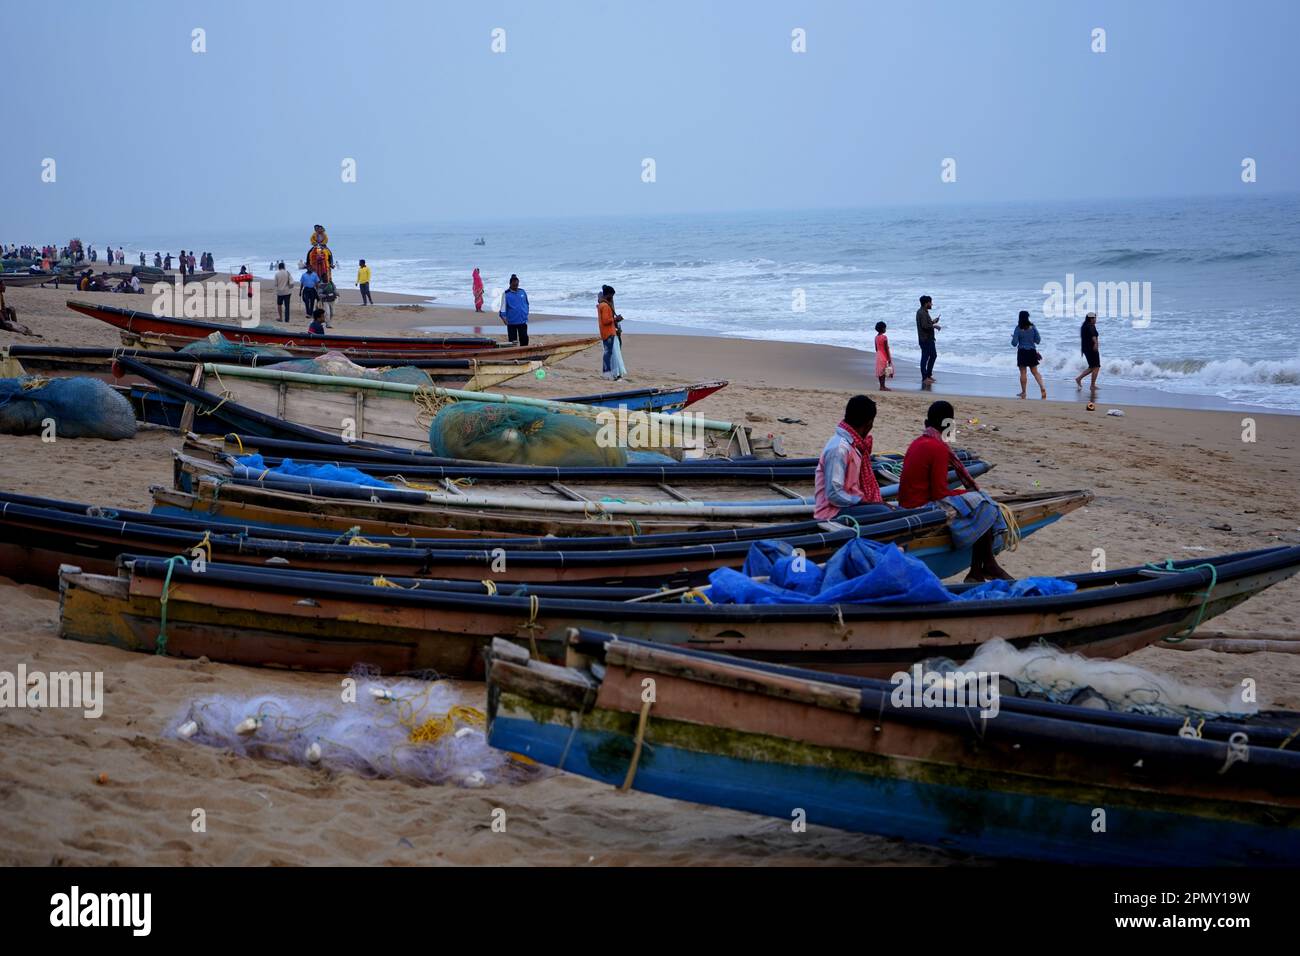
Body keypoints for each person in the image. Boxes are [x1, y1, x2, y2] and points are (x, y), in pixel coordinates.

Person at [899, 400, 1012, 582]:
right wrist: (966, 495)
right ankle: (985, 566)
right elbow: (939, 493)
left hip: (909, 502)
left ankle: (978, 570)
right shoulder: (937, 448)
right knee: (984, 505)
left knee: (976, 500)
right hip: (921, 507)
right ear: (948, 423)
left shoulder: (920, 442)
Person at [813, 395, 889, 520]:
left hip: (847, 506)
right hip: (832, 512)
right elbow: (834, 495)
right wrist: (863, 502)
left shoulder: (854, 445)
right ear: (869, 423)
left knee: (887, 509)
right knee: (883, 511)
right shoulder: (839, 449)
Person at [1011, 310, 1046, 399]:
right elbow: (1038, 340)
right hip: (1032, 351)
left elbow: (1014, 343)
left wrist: (1014, 338)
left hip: (1022, 352)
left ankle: (1024, 392)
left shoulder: (1018, 328)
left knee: (1023, 372)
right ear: (1028, 317)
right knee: (1035, 372)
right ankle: (1042, 387)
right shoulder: (1033, 327)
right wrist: (1030, 339)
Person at [598, 285, 626, 380]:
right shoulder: (605, 306)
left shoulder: (602, 304)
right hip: (609, 332)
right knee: (609, 353)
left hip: (606, 332)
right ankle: (608, 373)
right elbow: (606, 321)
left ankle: (609, 373)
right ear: (608, 295)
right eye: (612, 295)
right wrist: (615, 319)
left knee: (608, 353)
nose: (612, 298)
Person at [915, 295, 940, 387]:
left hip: (929, 339)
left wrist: (933, 322)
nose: (931, 304)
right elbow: (924, 326)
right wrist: (934, 326)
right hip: (925, 339)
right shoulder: (921, 313)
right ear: (926, 303)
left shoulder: (924, 312)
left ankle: (928, 375)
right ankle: (924, 378)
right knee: (925, 358)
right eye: (930, 302)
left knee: (933, 355)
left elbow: (926, 324)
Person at [499, 273, 529, 345]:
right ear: (510, 284)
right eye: (514, 285)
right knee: (513, 342)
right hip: (511, 322)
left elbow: (527, 303)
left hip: (522, 321)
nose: (516, 286)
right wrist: (504, 319)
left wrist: (526, 312)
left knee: (524, 339)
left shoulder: (522, 291)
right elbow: (502, 308)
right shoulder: (506, 294)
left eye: (517, 284)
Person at [1075, 311, 1101, 391]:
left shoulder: (1084, 325)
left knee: (1092, 367)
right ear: (1091, 319)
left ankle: (1079, 379)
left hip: (1086, 349)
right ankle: (1092, 385)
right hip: (1091, 349)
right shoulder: (1090, 326)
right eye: (1094, 318)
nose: (1095, 320)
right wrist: (1096, 344)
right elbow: (1093, 336)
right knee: (1096, 367)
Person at [874, 321, 893, 391]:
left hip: (878, 355)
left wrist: (879, 353)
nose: (885, 329)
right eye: (885, 328)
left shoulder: (876, 337)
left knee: (880, 371)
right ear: (882, 329)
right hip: (884, 355)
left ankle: (881, 386)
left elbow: (876, 348)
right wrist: (888, 358)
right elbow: (886, 348)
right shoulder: (884, 337)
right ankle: (883, 386)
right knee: (884, 371)